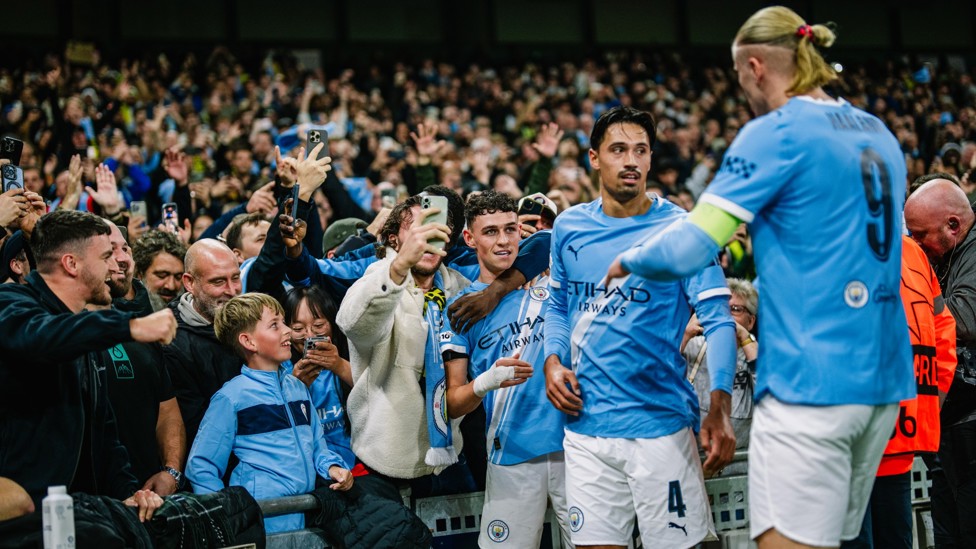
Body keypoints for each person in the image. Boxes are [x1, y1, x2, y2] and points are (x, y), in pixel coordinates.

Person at [604, 7, 913, 548]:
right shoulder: (879, 132)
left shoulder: (776, 132)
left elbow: (692, 245)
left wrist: (631, 259)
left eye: (737, 77)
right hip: (883, 384)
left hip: (810, 383)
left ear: (753, 66)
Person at [545, 106, 738, 549]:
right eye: (618, 150)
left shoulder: (682, 230)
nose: (631, 160)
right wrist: (553, 361)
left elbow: (718, 319)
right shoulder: (569, 227)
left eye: (641, 150)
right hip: (585, 430)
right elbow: (557, 304)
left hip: (661, 429)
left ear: (651, 159)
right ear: (594, 158)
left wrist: (720, 406)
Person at [0, 210, 176, 529]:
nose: (115, 265)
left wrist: (129, 495)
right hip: (15, 520)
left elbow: (105, 436)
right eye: (106, 255)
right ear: (72, 264)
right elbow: (40, 338)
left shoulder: (84, 339)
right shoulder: (10, 303)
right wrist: (130, 325)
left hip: (64, 517)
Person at [441, 191, 572, 548]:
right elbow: (451, 403)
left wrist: (498, 290)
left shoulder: (558, 285)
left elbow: (552, 237)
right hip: (510, 453)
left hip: (575, 446)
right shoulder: (459, 310)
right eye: (490, 232)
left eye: (510, 229)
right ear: (469, 239)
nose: (503, 240)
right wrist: (485, 383)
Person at [187, 293, 353, 534]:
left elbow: (318, 447)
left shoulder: (298, 388)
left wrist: (333, 468)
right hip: (262, 520)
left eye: (284, 322)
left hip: (306, 514)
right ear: (249, 341)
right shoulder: (231, 398)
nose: (288, 331)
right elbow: (201, 465)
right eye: (275, 325)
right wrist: (224, 518)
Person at [335, 195, 468, 489]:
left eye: (435, 228)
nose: (428, 237)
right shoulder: (378, 280)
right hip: (385, 459)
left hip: (450, 453)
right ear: (395, 240)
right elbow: (354, 325)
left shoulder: (460, 288)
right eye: (417, 229)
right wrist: (399, 268)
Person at [843, 236, 957, 549]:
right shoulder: (910, 252)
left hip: (847, 438)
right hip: (900, 428)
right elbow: (943, 331)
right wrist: (930, 402)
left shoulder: (825, 249)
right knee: (896, 538)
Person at [904, 175, 976, 547]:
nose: (914, 246)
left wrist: (912, 294)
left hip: (972, 424)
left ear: (953, 225)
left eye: (919, 235)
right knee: (948, 534)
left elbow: (965, 317)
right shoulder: (949, 252)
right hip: (952, 421)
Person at [102, 220, 187, 496]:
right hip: (91, 499)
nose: (122, 258)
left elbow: (167, 409)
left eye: (125, 248)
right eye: (109, 250)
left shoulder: (147, 327)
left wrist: (171, 471)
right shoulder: (58, 329)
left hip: (149, 493)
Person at [162, 238, 243, 447]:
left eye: (236, 278)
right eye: (218, 281)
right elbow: (199, 430)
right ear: (190, 283)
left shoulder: (254, 322)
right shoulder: (171, 343)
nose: (232, 290)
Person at [682, 278, 758, 472]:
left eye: (736, 309)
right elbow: (660, 370)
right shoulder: (696, 346)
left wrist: (744, 337)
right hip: (694, 462)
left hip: (740, 464)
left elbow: (765, 384)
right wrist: (686, 333)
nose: (726, 315)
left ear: (751, 321)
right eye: (722, 308)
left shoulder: (759, 351)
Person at [284, 285, 355, 470]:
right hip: (310, 467)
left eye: (318, 325)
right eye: (298, 328)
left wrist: (338, 365)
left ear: (333, 323)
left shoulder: (352, 355)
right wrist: (295, 386)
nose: (309, 335)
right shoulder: (282, 368)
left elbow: (374, 392)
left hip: (357, 463)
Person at [132, 229, 188, 311]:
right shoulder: (122, 316)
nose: (171, 286)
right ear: (139, 274)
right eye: (162, 275)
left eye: (178, 277)